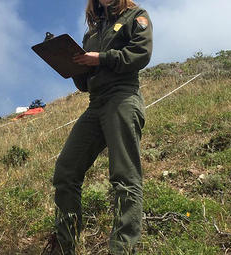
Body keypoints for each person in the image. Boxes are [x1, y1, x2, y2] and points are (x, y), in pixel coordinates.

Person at [48, 0, 152, 254]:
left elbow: (141, 54)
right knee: (65, 172)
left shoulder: (135, 16)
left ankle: (122, 249)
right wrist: (70, 63)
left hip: (123, 96)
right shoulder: (91, 33)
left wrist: (101, 58)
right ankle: (64, 246)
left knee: (124, 176)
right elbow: (84, 83)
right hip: (95, 103)